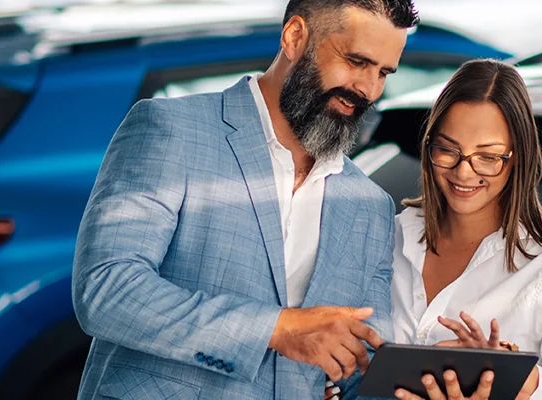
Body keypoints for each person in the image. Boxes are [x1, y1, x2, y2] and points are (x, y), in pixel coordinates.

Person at [70, 0, 417, 398]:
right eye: (356, 61)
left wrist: (429, 373)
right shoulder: (171, 129)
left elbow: (359, 367)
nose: (368, 89)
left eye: (384, 73)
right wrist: (278, 328)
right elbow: (106, 290)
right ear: (295, 37)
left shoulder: (370, 205)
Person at [388, 59, 542, 400]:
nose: (464, 173)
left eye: (488, 156)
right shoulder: (389, 236)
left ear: (518, 158)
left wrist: (517, 379)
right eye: (448, 150)